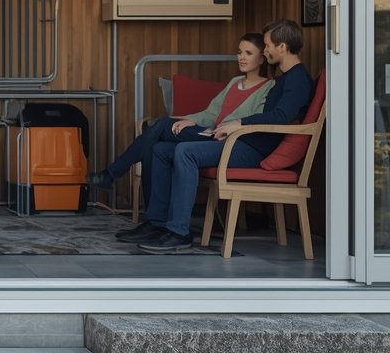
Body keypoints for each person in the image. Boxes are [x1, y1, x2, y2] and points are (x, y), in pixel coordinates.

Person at [125, 19, 315, 252]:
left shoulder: (298, 79)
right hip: (244, 141)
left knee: (185, 151)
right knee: (161, 150)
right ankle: (158, 223)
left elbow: (282, 116)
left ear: (282, 47)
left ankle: (179, 232)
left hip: (254, 149)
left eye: (267, 46)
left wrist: (239, 123)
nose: (265, 51)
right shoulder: (285, 78)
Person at [90, 33, 274, 218]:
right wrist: (189, 119)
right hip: (208, 131)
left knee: (160, 126)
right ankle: (153, 220)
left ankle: (111, 174)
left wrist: (228, 128)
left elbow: (255, 119)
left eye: (248, 53)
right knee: (155, 145)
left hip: (223, 138)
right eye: (239, 52)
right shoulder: (235, 82)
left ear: (261, 58)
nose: (241, 57)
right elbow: (211, 113)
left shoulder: (268, 87)